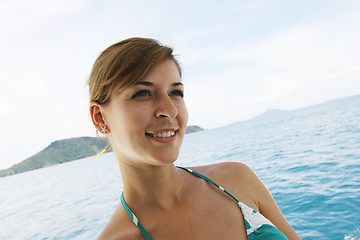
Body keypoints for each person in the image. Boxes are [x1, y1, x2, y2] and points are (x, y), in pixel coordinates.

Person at [87, 37, 301, 240]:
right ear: (100, 117)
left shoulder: (237, 179)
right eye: (143, 93)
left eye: (176, 92)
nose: (169, 110)